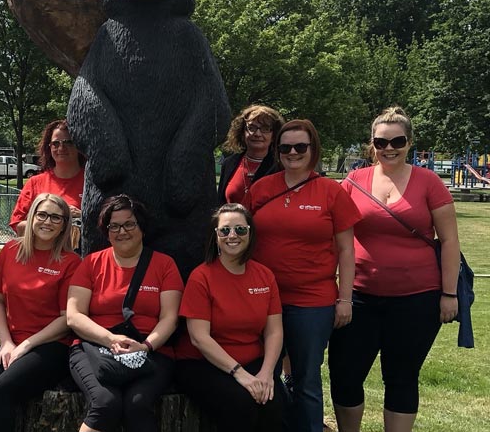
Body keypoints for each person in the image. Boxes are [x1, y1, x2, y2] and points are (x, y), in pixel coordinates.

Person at [329, 107, 460, 432]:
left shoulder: (429, 182)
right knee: (345, 374)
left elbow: (450, 242)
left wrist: (449, 293)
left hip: (416, 299)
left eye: (397, 141)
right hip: (358, 296)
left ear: (410, 142)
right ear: (372, 144)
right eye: (381, 141)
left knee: (401, 377)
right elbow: (336, 241)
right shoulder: (353, 182)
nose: (389, 148)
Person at [244, 119, 360, 432]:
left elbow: (347, 251)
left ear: (313, 150)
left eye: (300, 147)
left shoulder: (330, 192)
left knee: (306, 378)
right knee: (259, 372)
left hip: (312, 301)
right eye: (285, 147)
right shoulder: (261, 189)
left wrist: (345, 298)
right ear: (276, 151)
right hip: (262, 299)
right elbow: (241, 238)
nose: (292, 152)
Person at [0, 193, 80, 432]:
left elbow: (66, 319)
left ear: (64, 226)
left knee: (1, 391)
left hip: (52, 345)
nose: (47, 222)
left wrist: (26, 345)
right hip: (12, 342)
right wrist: (5, 342)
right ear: (31, 217)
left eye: (56, 218)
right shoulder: (11, 250)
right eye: (42, 214)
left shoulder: (71, 262)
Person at [67, 195, 183, 432]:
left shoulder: (164, 265)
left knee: (137, 405)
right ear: (106, 231)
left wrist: (147, 346)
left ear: (142, 227)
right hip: (94, 347)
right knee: (105, 403)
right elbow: (74, 315)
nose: (122, 231)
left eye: (129, 224)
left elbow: (169, 318)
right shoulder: (91, 263)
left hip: (150, 350)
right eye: (114, 226)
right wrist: (110, 339)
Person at [175, 203, 283, 432]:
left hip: (252, 360)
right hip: (203, 364)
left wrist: (267, 373)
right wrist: (241, 375)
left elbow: (274, 331)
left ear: (250, 233)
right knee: (241, 405)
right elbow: (199, 338)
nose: (232, 235)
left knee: (275, 407)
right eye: (225, 230)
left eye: (240, 230)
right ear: (215, 236)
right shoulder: (201, 277)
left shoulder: (265, 275)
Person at [10, 119, 85, 237]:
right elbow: (17, 225)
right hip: (42, 254)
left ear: (79, 145)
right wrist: (52, 220)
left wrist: (82, 218)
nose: (61, 148)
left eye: (68, 142)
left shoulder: (92, 183)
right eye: (55, 143)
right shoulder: (35, 183)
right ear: (49, 148)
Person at [218, 105, 285, 205]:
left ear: (274, 136)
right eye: (251, 128)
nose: (257, 134)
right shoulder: (229, 164)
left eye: (265, 128)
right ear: (242, 133)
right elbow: (219, 204)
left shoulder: (281, 166)